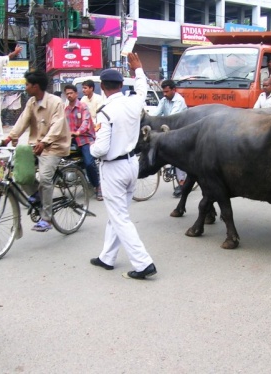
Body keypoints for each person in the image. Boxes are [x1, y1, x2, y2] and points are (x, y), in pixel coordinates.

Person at [89, 53, 157, 280]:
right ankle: (107, 257)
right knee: (118, 214)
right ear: (120, 85)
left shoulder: (105, 111)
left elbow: (100, 149)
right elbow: (142, 89)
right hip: (131, 165)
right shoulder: (133, 102)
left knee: (120, 217)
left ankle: (143, 263)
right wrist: (138, 69)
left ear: (102, 87)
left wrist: (90, 147)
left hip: (113, 169)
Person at [1, 70, 70, 232]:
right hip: (37, 145)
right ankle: (37, 195)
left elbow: (57, 126)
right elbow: (22, 121)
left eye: (27, 85)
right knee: (20, 171)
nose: (25, 88)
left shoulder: (55, 102)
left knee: (45, 179)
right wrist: (9, 138)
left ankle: (47, 218)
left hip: (55, 146)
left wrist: (45, 142)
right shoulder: (31, 102)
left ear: (35, 86)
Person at [63, 83, 102, 201]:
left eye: (71, 93)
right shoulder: (66, 109)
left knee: (89, 163)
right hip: (72, 140)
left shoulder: (83, 106)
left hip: (85, 138)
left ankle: (97, 186)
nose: (69, 95)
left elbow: (86, 122)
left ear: (76, 94)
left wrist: (78, 132)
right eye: (67, 94)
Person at [151, 79, 188, 198]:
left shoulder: (179, 101)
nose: (165, 94)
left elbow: (172, 117)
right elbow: (156, 115)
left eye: (167, 92)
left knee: (176, 155)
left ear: (174, 90)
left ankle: (182, 183)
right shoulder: (163, 100)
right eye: (163, 92)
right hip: (168, 130)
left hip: (181, 130)